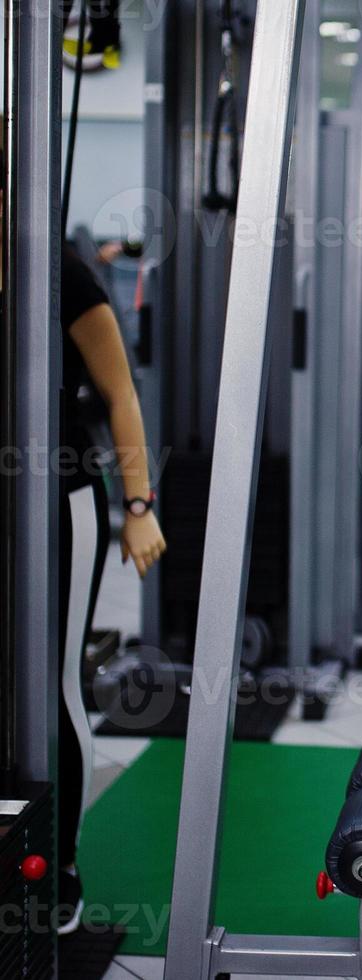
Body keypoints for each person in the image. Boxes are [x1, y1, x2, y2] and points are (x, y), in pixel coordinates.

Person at [0, 198, 168, 933]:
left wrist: (138, 505)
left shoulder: (62, 274)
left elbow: (120, 392)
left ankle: (58, 864)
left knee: (51, 682)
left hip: (55, 498)